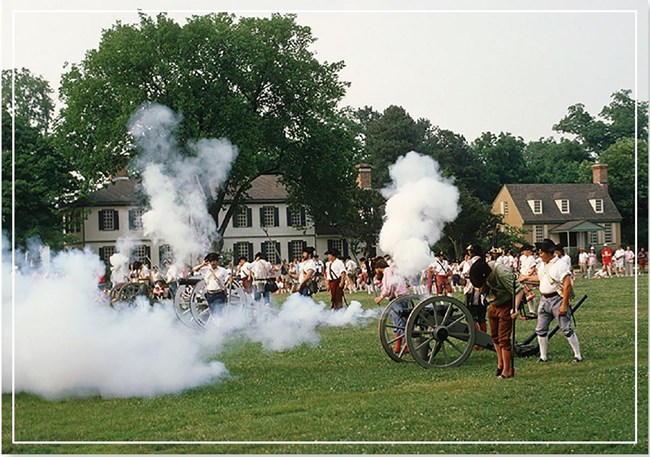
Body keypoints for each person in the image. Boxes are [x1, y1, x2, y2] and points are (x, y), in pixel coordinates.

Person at [526, 239, 583, 363]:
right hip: (544, 299)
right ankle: (543, 356)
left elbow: (567, 285)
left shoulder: (560, 264)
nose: (540, 255)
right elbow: (541, 279)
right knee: (540, 329)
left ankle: (577, 355)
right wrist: (526, 278)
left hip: (557, 299)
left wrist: (563, 304)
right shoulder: (542, 264)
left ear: (549, 253)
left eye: (542, 252)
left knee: (565, 328)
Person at [469, 255, 524, 379]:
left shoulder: (501, 272)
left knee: (503, 339)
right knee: (494, 337)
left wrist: (514, 308)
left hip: (505, 305)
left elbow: (518, 290)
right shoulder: (483, 273)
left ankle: (507, 370)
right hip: (493, 304)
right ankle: (500, 364)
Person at [373, 257, 410, 353]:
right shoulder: (392, 270)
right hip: (402, 297)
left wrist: (381, 297)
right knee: (399, 322)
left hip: (397, 299)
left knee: (399, 323)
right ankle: (398, 347)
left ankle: (406, 345)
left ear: (378, 268)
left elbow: (389, 287)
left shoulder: (387, 271)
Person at [462, 244, 489, 350]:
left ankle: (478, 341)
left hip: (471, 291)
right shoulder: (484, 262)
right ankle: (484, 341)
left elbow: (464, 275)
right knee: (481, 317)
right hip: (482, 291)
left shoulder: (468, 263)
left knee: (471, 317)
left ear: (470, 252)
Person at [518, 244, 539, 317]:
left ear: (529, 251)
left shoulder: (531, 258)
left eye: (525, 251)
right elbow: (520, 266)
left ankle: (532, 310)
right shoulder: (522, 257)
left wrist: (528, 276)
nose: (524, 252)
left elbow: (533, 268)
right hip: (522, 275)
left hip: (528, 276)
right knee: (524, 292)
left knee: (529, 293)